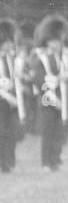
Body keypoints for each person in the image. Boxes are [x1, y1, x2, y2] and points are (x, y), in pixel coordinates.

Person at [28, 15, 68, 172]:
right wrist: (53, 98)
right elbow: (40, 81)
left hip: (59, 100)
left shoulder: (60, 59)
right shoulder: (41, 59)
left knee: (58, 132)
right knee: (48, 133)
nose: (57, 44)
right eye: (54, 41)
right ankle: (46, 162)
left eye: (59, 41)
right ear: (48, 41)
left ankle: (55, 160)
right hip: (47, 101)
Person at [0, 19, 21, 172]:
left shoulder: (11, 60)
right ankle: (4, 164)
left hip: (12, 102)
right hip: (2, 101)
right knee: (2, 133)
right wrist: (8, 97)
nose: (9, 45)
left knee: (12, 133)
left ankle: (10, 163)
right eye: (6, 42)